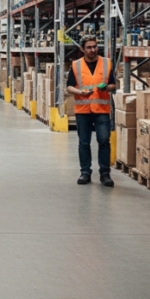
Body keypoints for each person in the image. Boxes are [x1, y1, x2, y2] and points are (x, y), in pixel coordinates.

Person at [65, 35, 116, 187]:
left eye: (94, 46)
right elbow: (69, 86)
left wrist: (107, 87)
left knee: (103, 141)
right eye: (89, 47)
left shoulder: (106, 63)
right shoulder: (76, 65)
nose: (93, 49)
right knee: (84, 142)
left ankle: (105, 174)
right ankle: (85, 172)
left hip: (101, 109)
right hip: (83, 109)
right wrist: (80, 93)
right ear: (82, 49)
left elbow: (113, 84)